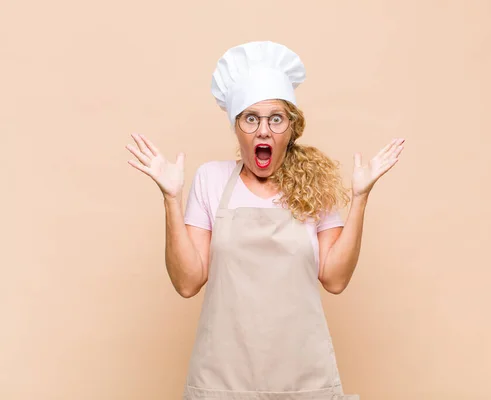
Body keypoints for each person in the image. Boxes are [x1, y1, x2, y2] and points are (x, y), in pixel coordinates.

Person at [125, 41, 404, 400]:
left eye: (276, 118)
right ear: (236, 126)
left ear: (291, 127)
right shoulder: (212, 179)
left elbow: (334, 279)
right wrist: (170, 199)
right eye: (250, 118)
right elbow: (187, 282)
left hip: (303, 376)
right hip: (223, 378)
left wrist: (361, 198)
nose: (263, 130)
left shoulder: (315, 185)